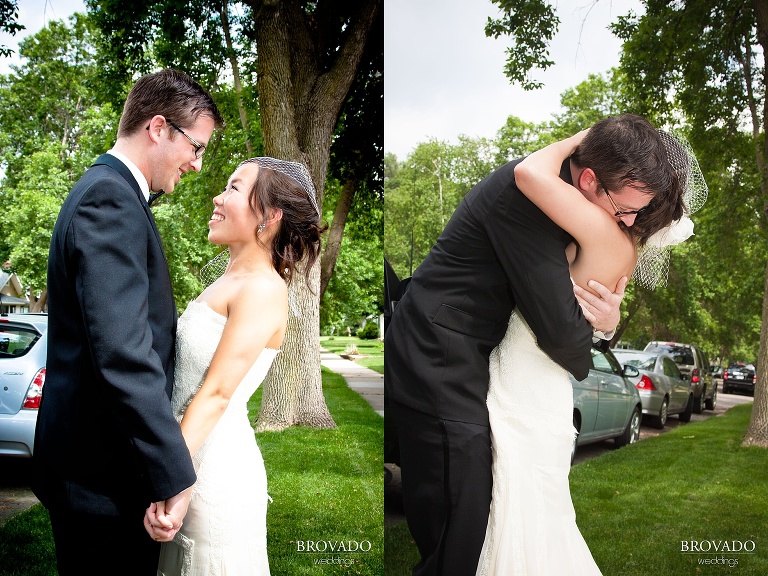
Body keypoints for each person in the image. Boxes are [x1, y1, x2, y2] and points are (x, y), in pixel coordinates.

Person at [384, 124, 629, 574]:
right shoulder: (529, 201)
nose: (627, 222)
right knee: (458, 525)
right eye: (624, 208)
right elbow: (562, 335)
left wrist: (608, 325)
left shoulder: (559, 199)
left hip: (470, 360)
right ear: (590, 180)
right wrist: (588, 348)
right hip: (437, 356)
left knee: (473, 513)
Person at [476, 116, 702, 574]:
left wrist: (585, 138)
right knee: (540, 512)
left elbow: (530, 174)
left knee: (516, 508)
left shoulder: (601, 230)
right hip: (549, 389)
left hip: (522, 379)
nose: (629, 217)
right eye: (628, 207)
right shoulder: (622, 247)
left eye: (633, 211)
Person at [33, 69, 224, 575]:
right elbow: (123, 354)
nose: (198, 165)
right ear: (159, 128)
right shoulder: (110, 200)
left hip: (95, 473)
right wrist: (174, 475)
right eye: (197, 147)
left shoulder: (110, 192)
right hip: (101, 483)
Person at [148, 157, 324, 575]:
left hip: (211, 473)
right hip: (189, 454)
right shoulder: (228, 280)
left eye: (232, 188)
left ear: (270, 214)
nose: (217, 196)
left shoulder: (262, 289)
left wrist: (172, 479)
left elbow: (217, 393)